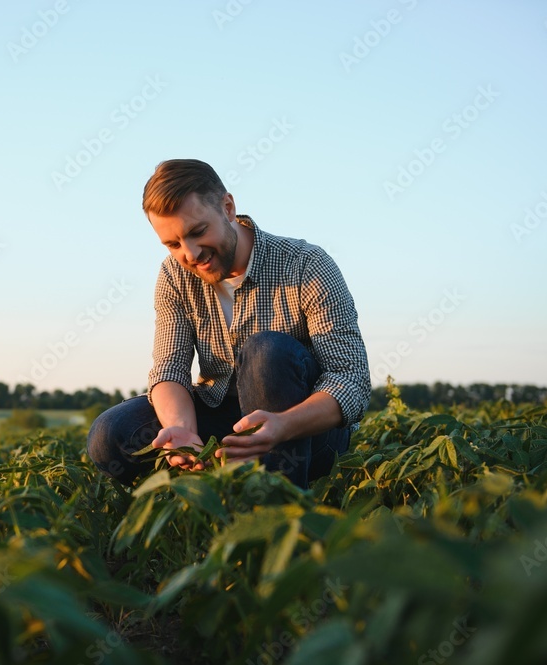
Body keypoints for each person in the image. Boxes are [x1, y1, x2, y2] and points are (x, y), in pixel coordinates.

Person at [87, 159, 370, 489]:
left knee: (267, 351)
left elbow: (351, 379)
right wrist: (183, 429)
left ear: (228, 207)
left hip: (304, 432)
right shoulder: (174, 275)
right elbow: (169, 369)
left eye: (198, 232)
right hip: (221, 415)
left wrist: (283, 425)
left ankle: (276, 508)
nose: (190, 253)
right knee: (110, 435)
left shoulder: (306, 264)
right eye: (173, 244)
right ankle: (195, 492)